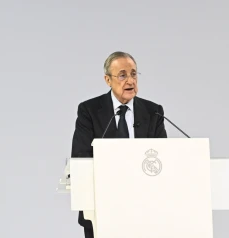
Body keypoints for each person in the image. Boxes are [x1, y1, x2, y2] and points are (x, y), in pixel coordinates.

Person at [70, 51, 167, 238]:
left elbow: (163, 158)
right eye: (122, 75)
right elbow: (81, 157)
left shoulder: (153, 111)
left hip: (145, 209)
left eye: (133, 74)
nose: (130, 81)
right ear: (108, 79)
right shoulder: (89, 111)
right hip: (102, 207)